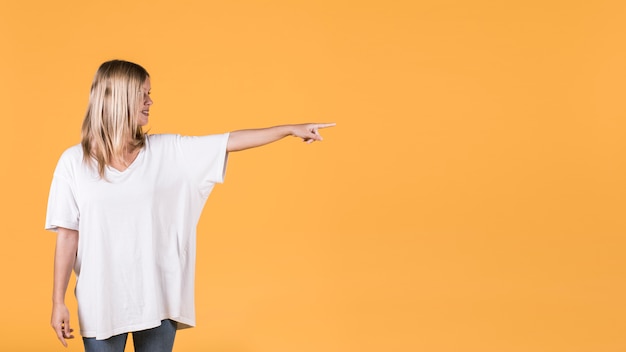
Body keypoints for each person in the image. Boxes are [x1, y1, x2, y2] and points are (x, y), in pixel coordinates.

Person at [46, 59, 335, 351]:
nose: (151, 101)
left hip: (158, 299)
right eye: (143, 94)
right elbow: (68, 236)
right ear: (120, 97)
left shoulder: (167, 152)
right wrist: (59, 302)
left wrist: (289, 129)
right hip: (100, 301)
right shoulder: (73, 163)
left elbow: (228, 141)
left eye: (150, 93)